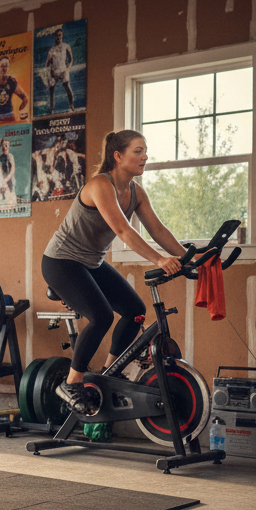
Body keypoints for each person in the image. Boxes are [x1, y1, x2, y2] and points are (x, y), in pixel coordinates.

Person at [41, 129, 185, 414]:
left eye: (145, 151)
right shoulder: (99, 186)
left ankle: (109, 372)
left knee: (135, 310)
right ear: (118, 156)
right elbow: (122, 230)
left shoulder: (135, 192)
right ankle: (71, 383)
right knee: (102, 316)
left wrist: (186, 255)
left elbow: (157, 229)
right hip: (62, 262)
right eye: (138, 151)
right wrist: (159, 260)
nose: (145, 156)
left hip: (91, 263)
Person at [0, 55, 29, 124]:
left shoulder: (11, 81)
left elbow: (24, 97)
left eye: (6, 66)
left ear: (8, 67)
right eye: (2, 66)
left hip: (9, 116)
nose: (4, 69)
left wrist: (21, 109)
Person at [45, 28, 76, 114]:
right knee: (51, 89)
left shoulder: (66, 46)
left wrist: (68, 69)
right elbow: (47, 63)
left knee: (67, 87)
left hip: (63, 71)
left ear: (62, 36)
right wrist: (49, 74)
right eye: (57, 35)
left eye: (60, 35)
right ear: (55, 37)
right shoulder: (52, 50)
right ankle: (51, 109)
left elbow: (71, 59)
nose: (58, 37)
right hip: (54, 73)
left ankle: (71, 105)